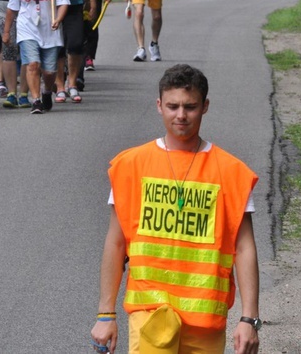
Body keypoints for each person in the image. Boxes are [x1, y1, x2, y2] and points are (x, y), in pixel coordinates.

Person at [90, 64, 261, 354]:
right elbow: (116, 242)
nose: (180, 115)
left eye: (190, 107)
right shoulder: (131, 166)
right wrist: (105, 315)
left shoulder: (231, 173)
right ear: (159, 106)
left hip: (205, 322)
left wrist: (249, 319)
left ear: (205, 107)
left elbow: (244, 249)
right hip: (149, 315)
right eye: (172, 106)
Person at [3, 0, 69, 114]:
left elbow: (63, 3)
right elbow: (12, 8)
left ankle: (47, 91)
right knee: (32, 64)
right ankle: (36, 100)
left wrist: (58, 19)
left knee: (49, 71)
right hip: (27, 29)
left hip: (50, 30)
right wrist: (6, 31)